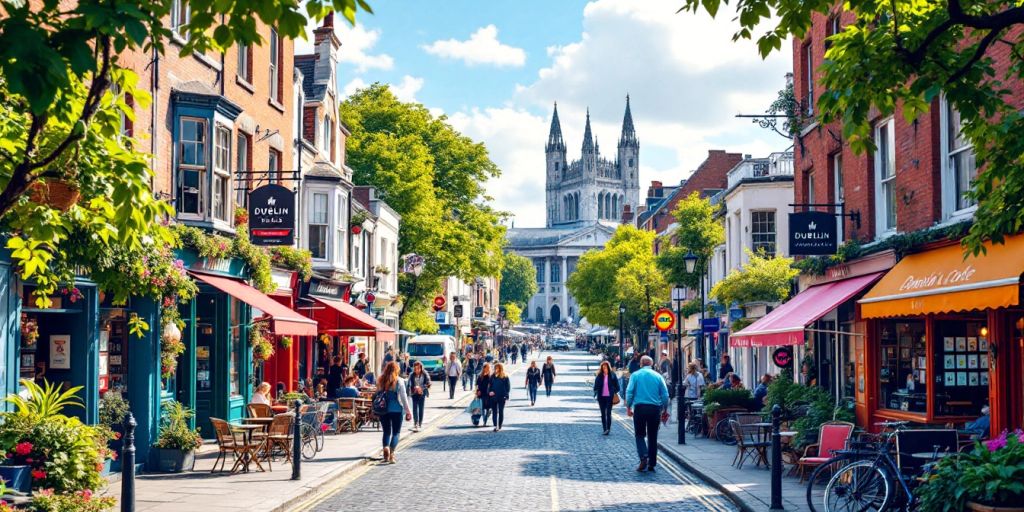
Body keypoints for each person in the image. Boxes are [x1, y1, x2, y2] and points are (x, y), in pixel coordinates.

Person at [625, 356, 670, 472]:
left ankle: (644, 456)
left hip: (640, 408)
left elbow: (629, 393)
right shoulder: (658, 376)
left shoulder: (635, 375)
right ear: (652, 364)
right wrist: (665, 409)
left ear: (640, 364)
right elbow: (665, 396)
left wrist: (629, 407)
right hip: (655, 409)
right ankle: (652, 464)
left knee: (639, 435)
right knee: (653, 436)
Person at [376, 361, 412, 464]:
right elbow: (404, 398)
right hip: (396, 410)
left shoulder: (381, 380)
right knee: (396, 432)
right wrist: (408, 411)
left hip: (383, 410)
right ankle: (391, 454)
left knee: (386, 431)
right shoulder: (399, 381)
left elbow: (377, 395)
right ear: (397, 370)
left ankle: (385, 447)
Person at [593, 361, 620, 435]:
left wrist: (613, 391)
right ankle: (604, 429)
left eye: (606, 367)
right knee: (603, 413)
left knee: (608, 413)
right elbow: (595, 387)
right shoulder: (599, 376)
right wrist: (597, 387)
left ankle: (608, 428)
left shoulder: (612, 375)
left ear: (608, 367)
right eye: (603, 367)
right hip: (601, 397)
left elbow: (618, 387)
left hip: (609, 397)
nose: (604, 368)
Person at [407, 361, 431, 432]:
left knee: (421, 408)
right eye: (415, 368)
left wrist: (422, 388)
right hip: (414, 393)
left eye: (418, 368)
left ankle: (420, 423)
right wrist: (413, 388)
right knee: (414, 408)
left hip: (422, 393)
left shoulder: (425, 374)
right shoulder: (411, 375)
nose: (416, 370)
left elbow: (429, 383)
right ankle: (415, 423)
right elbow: (409, 384)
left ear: (421, 368)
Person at [489, 363, 511, 432]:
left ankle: (499, 425)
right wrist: (490, 392)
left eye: (497, 368)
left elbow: (508, 387)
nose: (496, 369)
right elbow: (490, 386)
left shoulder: (505, 376)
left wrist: (506, 395)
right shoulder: (492, 376)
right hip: (494, 396)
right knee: (494, 411)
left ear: (500, 368)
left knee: (501, 411)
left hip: (502, 396)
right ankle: (496, 425)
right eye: (495, 368)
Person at [476, 363, 494, 427]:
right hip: (482, 394)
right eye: (486, 367)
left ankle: (485, 419)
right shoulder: (480, 376)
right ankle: (484, 421)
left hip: (489, 395)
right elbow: (477, 386)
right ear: (484, 368)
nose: (488, 369)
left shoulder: (492, 376)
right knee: (483, 408)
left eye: (489, 368)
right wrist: (478, 391)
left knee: (489, 409)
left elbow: (493, 385)